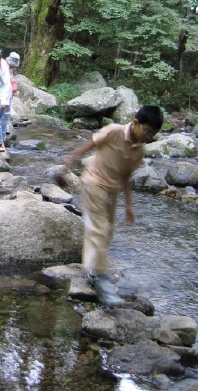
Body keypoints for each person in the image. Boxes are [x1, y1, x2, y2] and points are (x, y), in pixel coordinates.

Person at [57, 105, 163, 306]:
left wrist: (129, 206)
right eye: (146, 131)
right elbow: (89, 145)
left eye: (152, 134)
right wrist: (68, 164)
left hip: (112, 190)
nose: (148, 137)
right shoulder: (114, 131)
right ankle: (100, 278)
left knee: (106, 231)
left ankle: (91, 270)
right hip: (93, 183)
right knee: (100, 229)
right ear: (135, 123)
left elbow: (125, 175)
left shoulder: (138, 150)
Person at [4, 52, 20, 134]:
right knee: (3, 110)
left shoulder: (10, 69)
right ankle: (2, 127)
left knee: (7, 110)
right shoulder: (4, 67)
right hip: (3, 93)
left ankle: (5, 126)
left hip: (8, 92)